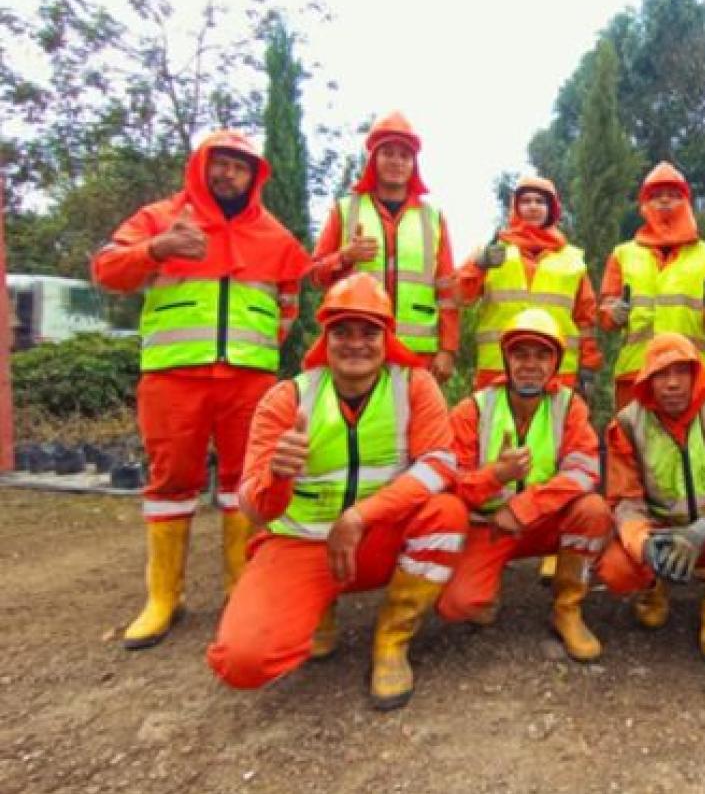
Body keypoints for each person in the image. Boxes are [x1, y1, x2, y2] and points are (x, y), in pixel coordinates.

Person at [206, 274, 467, 710]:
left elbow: (440, 464)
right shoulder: (286, 399)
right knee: (242, 662)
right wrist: (278, 476)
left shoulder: (414, 386)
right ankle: (316, 610)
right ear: (324, 338)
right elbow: (253, 508)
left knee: (447, 514)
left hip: (378, 538)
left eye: (369, 332)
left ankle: (391, 642)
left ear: (387, 338)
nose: (356, 343)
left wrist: (360, 516)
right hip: (304, 546)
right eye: (342, 331)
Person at [92, 130, 310, 650]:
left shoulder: (276, 237)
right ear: (202, 166)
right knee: (171, 482)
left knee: (246, 483)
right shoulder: (160, 218)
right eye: (222, 164)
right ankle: (164, 597)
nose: (229, 174)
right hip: (173, 375)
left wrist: (257, 351)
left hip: (248, 379)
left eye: (240, 167)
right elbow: (106, 269)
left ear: (254, 177)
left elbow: (289, 303)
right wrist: (155, 249)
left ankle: (242, 585)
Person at [438, 309, 610, 660]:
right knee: (458, 606)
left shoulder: (569, 406)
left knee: (593, 511)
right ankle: (489, 583)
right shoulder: (473, 409)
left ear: (556, 362)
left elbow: (584, 470)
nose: (530, 364)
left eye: (542, 354)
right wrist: (496, 476)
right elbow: (450, 483)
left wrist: (525, 507)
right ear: (506, 360)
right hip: (490, 527)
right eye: (520, 354)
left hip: (545, 521)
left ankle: (567, 608)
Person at [595, 332, 705, 664]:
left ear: (695, 374)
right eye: (661, 374)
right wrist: (645, 544)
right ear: (647, 380)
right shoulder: (627, 423)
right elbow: (624, 501)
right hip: (662, 533)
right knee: (616, 567)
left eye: (681, 372)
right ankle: (653, 589)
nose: (672, 383)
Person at [311, 111, 459, 382]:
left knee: (414, 424)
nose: (396, 161)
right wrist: (344, 257)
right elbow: (315, 275)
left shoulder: (433, 218)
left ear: (414, 164)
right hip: (356, 350)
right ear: (373, 160)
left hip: (416, 353)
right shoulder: (345, 210)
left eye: (405, 156)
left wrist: (447, 350)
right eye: (388, 153)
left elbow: (447, 291)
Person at [598, 162, 705, 412]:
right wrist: (613, 312)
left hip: (690, 374)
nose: (664, 201)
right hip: (636, 373)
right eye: (656, 195)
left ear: (685, 202)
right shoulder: (623, 254)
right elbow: (605, 314)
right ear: (644, 204)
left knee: (693, 447)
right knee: (631, 447)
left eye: (672, 195)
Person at [457, 175, 601, 394]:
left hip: (557, 371)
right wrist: (479, 265)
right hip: (497, 367)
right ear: (515, 207)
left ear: (552, 209)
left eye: (540, 201)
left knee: (555, 429)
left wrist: (588, 366)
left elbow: (586, 320)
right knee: (494, 428)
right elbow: (459, 296)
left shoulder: (572, 259)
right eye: (526, 201)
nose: (533, 207)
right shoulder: (491, 251)